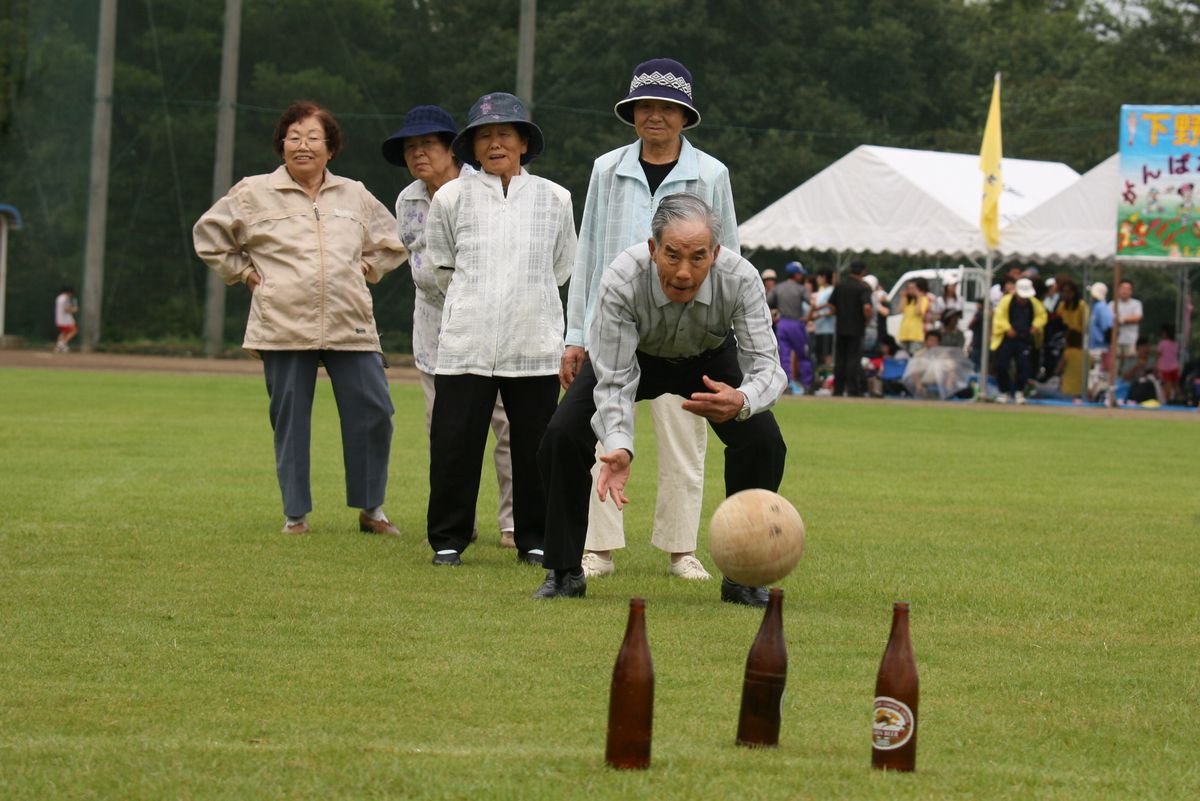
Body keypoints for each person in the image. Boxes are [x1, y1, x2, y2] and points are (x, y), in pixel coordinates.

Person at [534, 194, 787, 606]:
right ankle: (564, 572)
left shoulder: (741, 278)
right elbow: (614, 379)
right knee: (561, 436)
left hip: (707, 360)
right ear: (653, 249)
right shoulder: (622, 278)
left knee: (763, 441)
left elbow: (768, 367)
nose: (684, 272)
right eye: (672, 255)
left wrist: (741, 399)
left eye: (698, 257)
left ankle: (742, 578)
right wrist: (618, 445)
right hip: (633, 356)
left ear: (716, 253)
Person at [193, 101, 407, 535]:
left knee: (375, 411)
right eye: (293, 137)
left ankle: (371, 509)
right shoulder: (252, 192)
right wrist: (247, 275)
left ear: (331, 149)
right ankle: (296, 515)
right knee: (290, 418)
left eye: (313, 138)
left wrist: (364, 270)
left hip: (351, 322)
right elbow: (209, 236)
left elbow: (392, 241)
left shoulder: (355, 193)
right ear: (281, 145)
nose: (302, 146)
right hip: (283, 322)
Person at [561, 57, 738, 582]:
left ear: (685, 116)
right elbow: (588, 251)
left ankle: (681, 547)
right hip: (616, 325)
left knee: (686, 437)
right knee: (604, 434)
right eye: (645, 106)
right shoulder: (606, 168)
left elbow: (727, 257)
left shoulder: (711, 173)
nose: (655, 117)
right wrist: (575, 335)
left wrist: (721, 329)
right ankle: (598, 547)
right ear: (632, 112)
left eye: (667, 108)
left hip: (690, 328)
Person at [422, 92, 576, 567]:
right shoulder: (451, 197)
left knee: (533, 446)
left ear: (524, 143)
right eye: (484, 136)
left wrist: (524, 304)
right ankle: (448, 539)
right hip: (466, 341)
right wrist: (477, 304)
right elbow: (442, 266)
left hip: (534, 341)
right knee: (453, 445)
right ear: (471, 147)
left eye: (504, 134)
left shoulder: (555, 197)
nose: (494, 144)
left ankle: (534, 539)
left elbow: (562, 266)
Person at [382, 105, 516, 549]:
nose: (418, 154)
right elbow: (418, 261)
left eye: (427, 145)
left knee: (507, 430)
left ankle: (513, 523)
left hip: (490, 331)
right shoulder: (407, 200)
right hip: (435, 335)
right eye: (409, 148)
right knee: (445, 435)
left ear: (450, 150)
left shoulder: (482, 190)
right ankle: (456, 524)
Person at [990, 277, 1047, 404]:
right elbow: (999, 317)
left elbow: (1042, 316)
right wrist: (1007, 328)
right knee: (1002, 365)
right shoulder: (1006, 301)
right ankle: (1003, 391)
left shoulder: (1034, 303)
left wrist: (1035, 326)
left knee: (1024, 366)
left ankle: (1019, 391)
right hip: (1007, 338)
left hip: (1024, 338)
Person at [767, 261, 812, 395]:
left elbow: (766, 302)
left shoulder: (778, 288)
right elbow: (811, 302)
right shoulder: (801, 289)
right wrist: (808, 318)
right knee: (802, 355)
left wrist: (773, 315)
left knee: (784, 355)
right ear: (796, 275)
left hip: (782, 324)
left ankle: (786, 385)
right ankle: (807, 383)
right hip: (796, 323)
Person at [829, 260, 873, 396]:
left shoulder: (840, 286)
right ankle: (853, 390)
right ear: (863, 271)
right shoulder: (863, 287)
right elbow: (867, 307)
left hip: (841, 326)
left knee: (840, 359)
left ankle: (838, 389)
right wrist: (868, 319)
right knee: (853, 359)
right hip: (856, 327)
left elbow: (831, 305)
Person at [1113, 279, 1143, 370]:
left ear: (1131, 291)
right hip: (1116, 340)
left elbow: (1137, 317)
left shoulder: (1136, 304)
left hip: (1131, 340)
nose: (1125, 291)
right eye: (1123, 288)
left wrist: (1121, 319)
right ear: (1118, 290)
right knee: (1115, 366)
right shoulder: (1113, 304)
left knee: (1130, 367)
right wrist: (1128, 318)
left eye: (1127, 289)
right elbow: (1110, 320)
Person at [809, 268, 836, 369]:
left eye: (819, 276)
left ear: (824, 277)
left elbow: (832, 309)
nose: (817, 279)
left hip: (828, 328)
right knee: (820, 354)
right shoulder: (821, 291)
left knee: (827, 354)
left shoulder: (831, 291)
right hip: (819, 328)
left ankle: (828, 377)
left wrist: (819, 315)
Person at [897, 280, 929, 354]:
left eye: (913, 288)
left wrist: (918, 297)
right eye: (908, 288)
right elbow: (900, 310)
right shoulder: (907, 301)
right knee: (903, 356)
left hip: (916, 335)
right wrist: (903, 297)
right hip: (904, 334)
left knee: (914, 355)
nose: (910, 290)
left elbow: (918, 312)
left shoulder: (923, 299)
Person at [1088, 282, 1114, 370]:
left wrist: (1106, 348)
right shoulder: (1094, 307)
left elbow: (1108, 328)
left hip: (1100, 347)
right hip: (1092, 346)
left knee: (1097, 373)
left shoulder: (1102, 307)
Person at [1156, 323, 1181, 403]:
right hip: (1175, 367)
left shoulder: (1162, 343)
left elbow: (1159, 354)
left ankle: (1168, 401)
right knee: (1176, 385)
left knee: (1168, 385)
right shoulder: (1175, 344)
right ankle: (1179, 399)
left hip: (1165, 368)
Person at [54, 287, 79, 352]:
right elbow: (66, 309)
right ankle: (62, 344)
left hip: (59, 319)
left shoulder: (59, 298)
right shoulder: (66, 298)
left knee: (63, 332)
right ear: (69, 292)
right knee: (74, 331)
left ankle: (58, 347)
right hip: (65, 320)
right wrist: (74, 309)